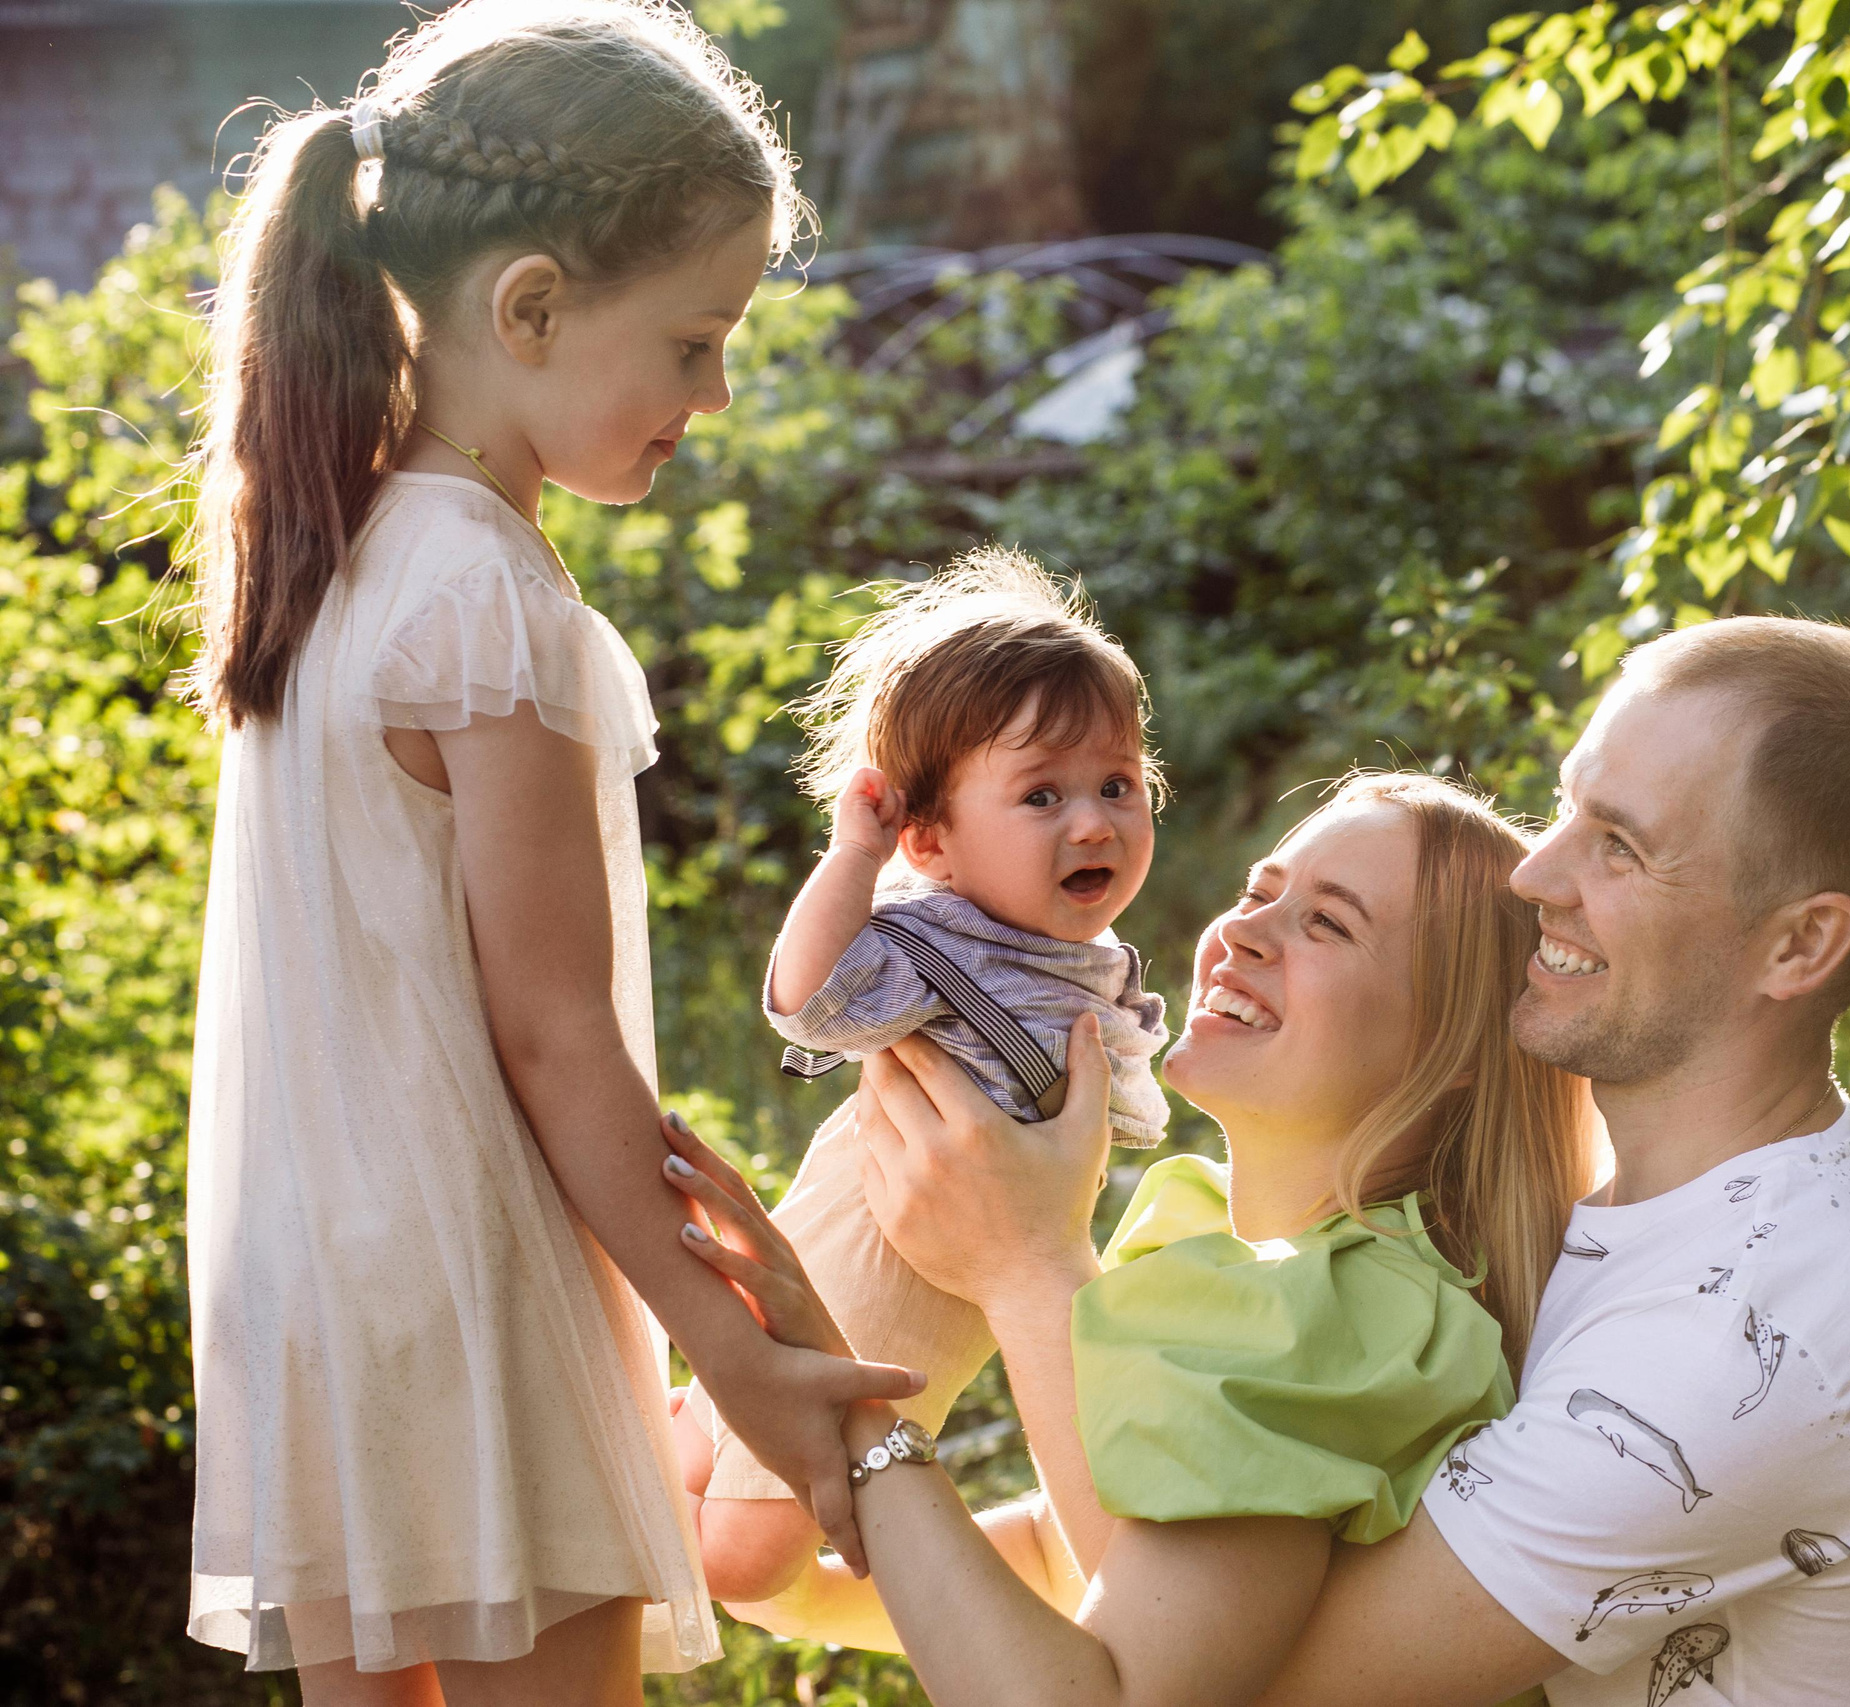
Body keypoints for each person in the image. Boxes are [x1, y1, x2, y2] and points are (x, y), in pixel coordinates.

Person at [820, 615, 1850, 1706]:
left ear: (1800, 945)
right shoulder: (1624, 1221)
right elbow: (1209, 1554)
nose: (1536, 876)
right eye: (1566, 807)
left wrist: (1013, 1281)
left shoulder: (1736, 1344)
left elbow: (1220, 1682)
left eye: (1620, 847)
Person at [178, 5, 916, 1701]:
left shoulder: (332, 553)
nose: (713, 393)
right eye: (695, 340)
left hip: (324, 1295)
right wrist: (733, 1352)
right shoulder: (491, 601)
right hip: (474, 1281)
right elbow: (554, 1031)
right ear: (529, 308)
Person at [661, 774, 1598, 1705]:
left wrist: (1015, 1273)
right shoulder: (1204, 1235)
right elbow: (1074, 1554)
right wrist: (798, 1590)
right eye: (1259, 892)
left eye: (1328, 923)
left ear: (1454, 1046)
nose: (1243, 931)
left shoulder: (1366, 1313)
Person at [672, 548, 1174, 1602]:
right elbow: (806, 1000)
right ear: (931, 841)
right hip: (873, 1260)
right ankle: (583, 1517)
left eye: (1117, 784)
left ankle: (640, 1453)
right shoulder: (934, 942)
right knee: (746, 1560)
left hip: (953, 1290)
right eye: (1042, 795)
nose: (1094, 821)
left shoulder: (1081, 955)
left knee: (723, 1474)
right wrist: (853, 859)